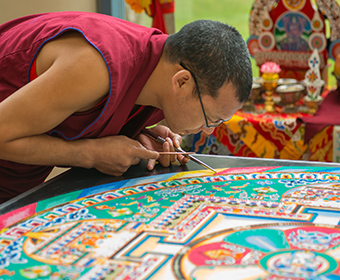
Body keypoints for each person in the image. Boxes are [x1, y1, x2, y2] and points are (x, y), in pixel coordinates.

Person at [0, 11, 252, 203]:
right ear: (182, 81)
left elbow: (104, 112)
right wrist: (91, 154)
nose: (208, 132)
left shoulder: (158, 74)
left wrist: (136, 132)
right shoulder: (95, 67)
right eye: (211, 119)